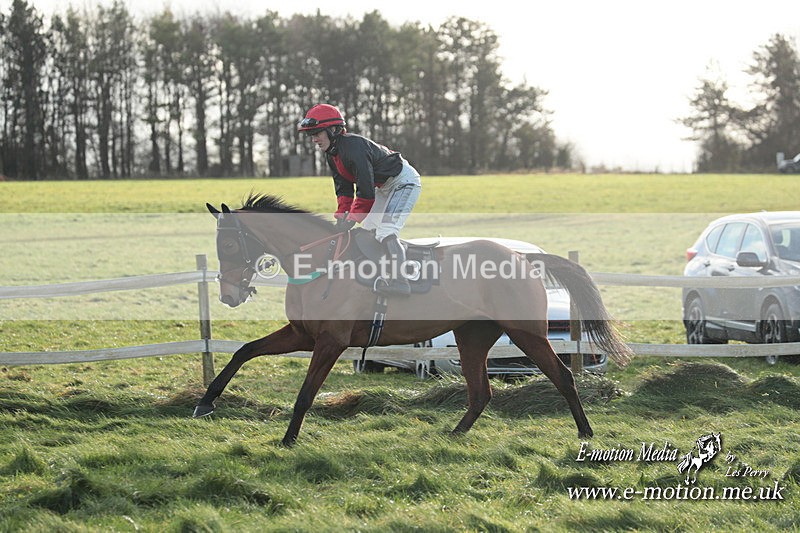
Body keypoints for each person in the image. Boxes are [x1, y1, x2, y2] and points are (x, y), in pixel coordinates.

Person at [298, 103, 421, 296]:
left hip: (403, 182)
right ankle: (378, 273)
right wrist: (342, 216)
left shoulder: (354, 147)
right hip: (383, 187)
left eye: (317, 133)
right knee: (368, 231)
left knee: (386, 231)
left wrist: (353, 218)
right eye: (310, 135)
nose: (313, 139)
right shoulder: (332, 154)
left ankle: (401, 281)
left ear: (333, 130)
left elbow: (365, 190)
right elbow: (344, 188)